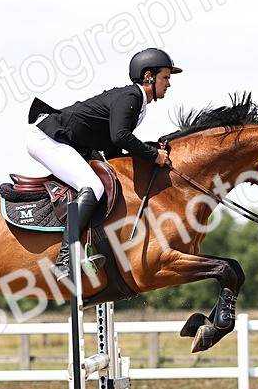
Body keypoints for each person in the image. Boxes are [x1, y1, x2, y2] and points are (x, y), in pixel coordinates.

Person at [26, 47, 181, 281]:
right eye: (165, 77)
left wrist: (148, 152)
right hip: (48, 139)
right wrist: (152, 154)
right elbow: (119, 136)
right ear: (149, 76)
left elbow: (112, 148)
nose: (168, 84)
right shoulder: (132, 97)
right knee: (94, 186)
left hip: (66, 141)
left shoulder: (137, 104)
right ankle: (65, 260)